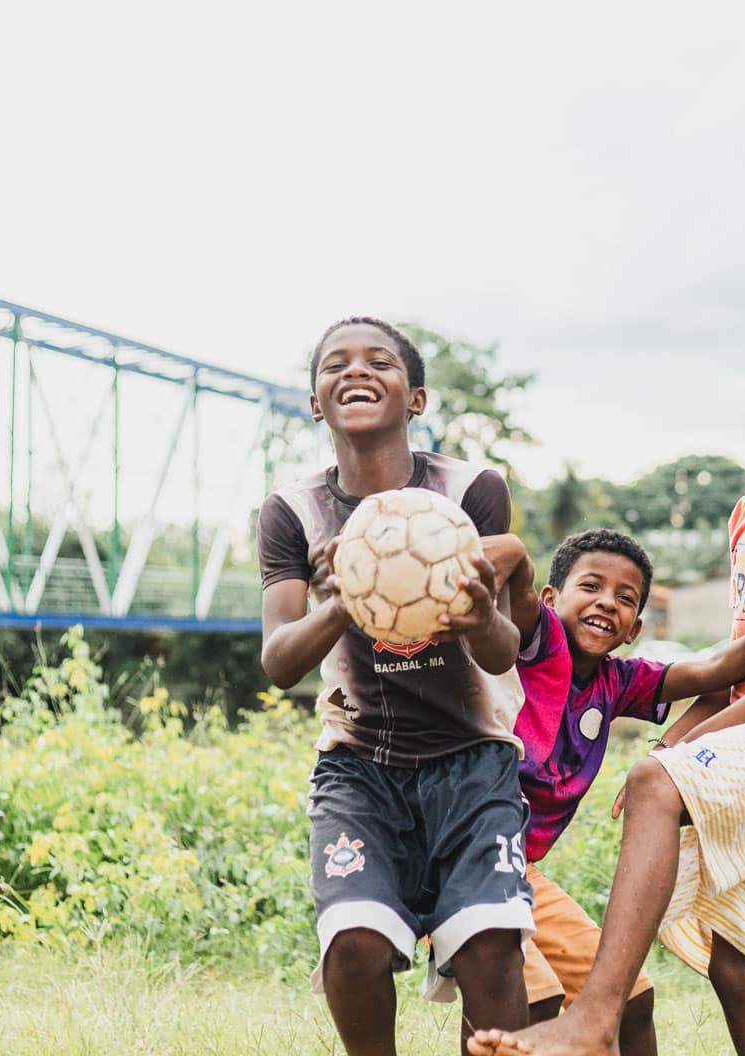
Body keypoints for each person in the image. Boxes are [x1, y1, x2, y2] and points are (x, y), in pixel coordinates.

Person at [470, 327, 745, 1056]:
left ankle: (593, 1017)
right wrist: (680, 738)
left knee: (653, 780)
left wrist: (679, 756)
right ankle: (605, 1011)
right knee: (739, 969)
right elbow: (743, 663)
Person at [259, 316, 530, 1056]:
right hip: (358, 763)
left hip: (472, 758)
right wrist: (345, 599)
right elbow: (279, 661)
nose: (356, 371)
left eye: (379, 362)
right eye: (333, 365)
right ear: (316, 402)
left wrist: (477, 613)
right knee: (353, 945)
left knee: (491, 951)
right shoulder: (294, 512)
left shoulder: (471, 489)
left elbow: (503, 652)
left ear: (415, 397)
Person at [475, 527, 745, 1056]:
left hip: (521, 871)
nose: (607, 602)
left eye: (625, 599)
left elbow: (710, 672)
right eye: (592, 587)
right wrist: (512, 549)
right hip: (461, 860)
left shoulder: (618, 681)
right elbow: (519, 585)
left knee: (632, 1000)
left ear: (635, 628)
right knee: (535, 997)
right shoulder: (533, 646)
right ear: (553, 600)